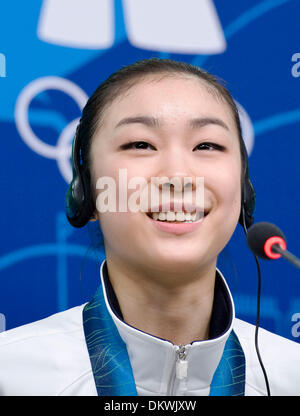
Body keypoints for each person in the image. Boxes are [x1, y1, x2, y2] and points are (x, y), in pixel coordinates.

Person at [0, 58, 300, 396]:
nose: (178, 175)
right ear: (87, 192)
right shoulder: (10, 376)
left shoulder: (292, 378)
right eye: (140, 145)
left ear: (243, 191)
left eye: (207, 145)